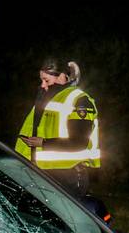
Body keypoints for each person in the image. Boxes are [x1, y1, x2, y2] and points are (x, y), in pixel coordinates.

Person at [14, 59, 100, 196]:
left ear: (61, 77)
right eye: (41, 80)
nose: (42, 85)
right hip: (43, 173)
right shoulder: (46, 100)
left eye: (46, 80)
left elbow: (79, 142)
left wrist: (43, 143)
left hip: (69, 176)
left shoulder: (80, 101)